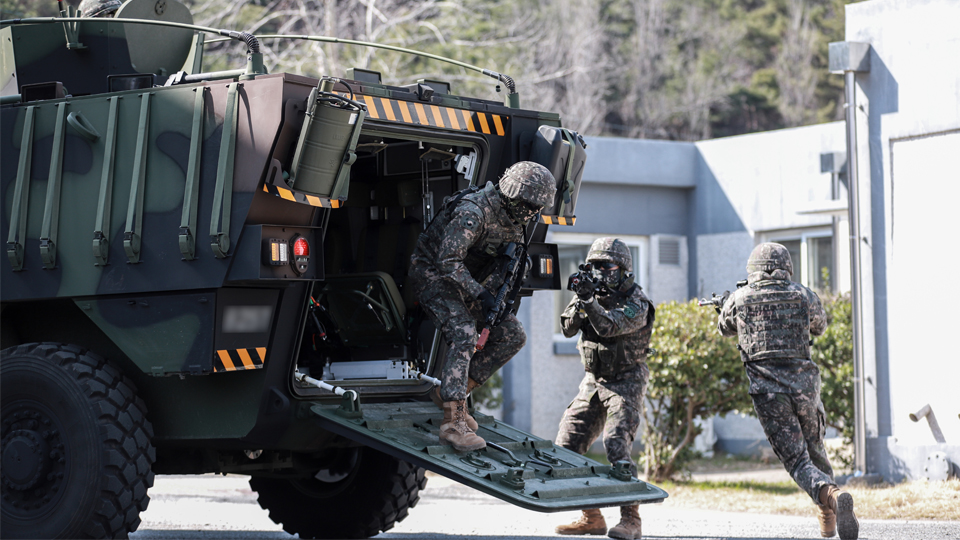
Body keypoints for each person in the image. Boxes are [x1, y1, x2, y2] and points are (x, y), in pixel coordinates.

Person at [409, 161, 556, 452]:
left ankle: (454, 395)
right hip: (433, 276)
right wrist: (480, 294)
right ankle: (453, 424)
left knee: (513, 334)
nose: (534, 213)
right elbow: (447, 262)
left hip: (468, 283)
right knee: (464, 332)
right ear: (513, 196)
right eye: (530, 205)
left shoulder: (515, 220)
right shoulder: (473, 212)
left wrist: (497, 300)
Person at [716, 242, 858, 540]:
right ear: (786, 266)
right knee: (816, 450)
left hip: (771, 395)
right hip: (806, 388)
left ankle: (830, 495)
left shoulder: (741, 298)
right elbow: (819, 326)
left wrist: (727, 305)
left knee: (797, 461)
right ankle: (828, 517)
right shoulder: (803, 294)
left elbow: (725, 327)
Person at [554, 238, 654, 540]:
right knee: (565, 446)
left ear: (623, 270)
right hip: (594, 380)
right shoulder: (590, 293)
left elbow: (608, 327)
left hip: (626, 380)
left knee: (616, 443)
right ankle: (591, 516)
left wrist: (589, 302)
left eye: (605, 266)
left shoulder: (637, 302)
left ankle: (631, 519)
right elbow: (568, 327)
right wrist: (583, 299)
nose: (598, 272)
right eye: (594, 265)